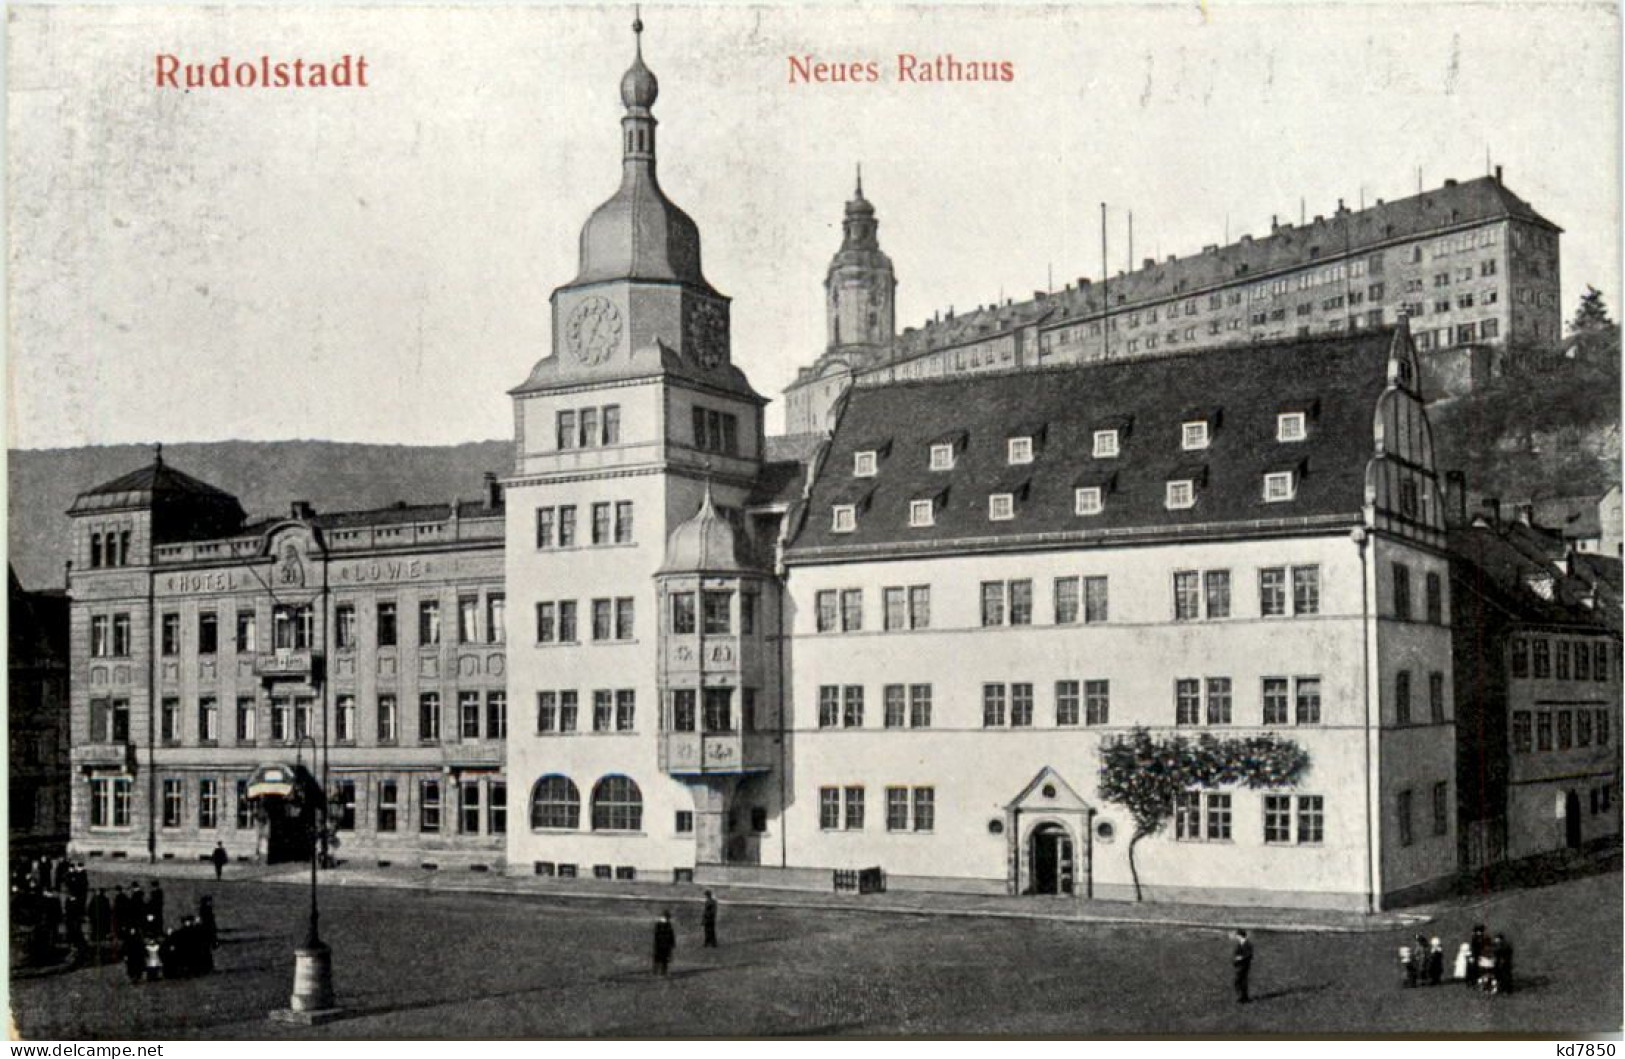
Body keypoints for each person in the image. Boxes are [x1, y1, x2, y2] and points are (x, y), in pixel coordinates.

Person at [1232, 929, 1253, 1004]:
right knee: (1242, 981)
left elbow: (1249, 955)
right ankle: (1244, 997)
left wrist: (1241, 958)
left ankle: (1241, 997)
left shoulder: (1247, 944)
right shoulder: (1240, 943)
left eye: (1237, 935)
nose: (1236, 937)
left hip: (1244, 965)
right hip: (1240, 965)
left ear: (1240, 936)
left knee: (1238, 981)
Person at [653, 910, 676, 976]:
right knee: (663, 959)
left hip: (661, 944)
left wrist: (672, 943)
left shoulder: (660, 924)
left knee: (659, 959)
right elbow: (671, 934)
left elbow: (656, 935)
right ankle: (661, 971)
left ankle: (657, 971)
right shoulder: (666, 924)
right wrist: (672, 943)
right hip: (663, 944)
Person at [1466, 924, 1487, 989]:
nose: (1480, 933)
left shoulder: (1480, 938)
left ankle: (1475, 981)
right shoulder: (1476, 938)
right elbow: (1474, 948)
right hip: (1476, 955)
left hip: (1479, 955)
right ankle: (1473, 982)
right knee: (1474, 969)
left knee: (1478, 969)